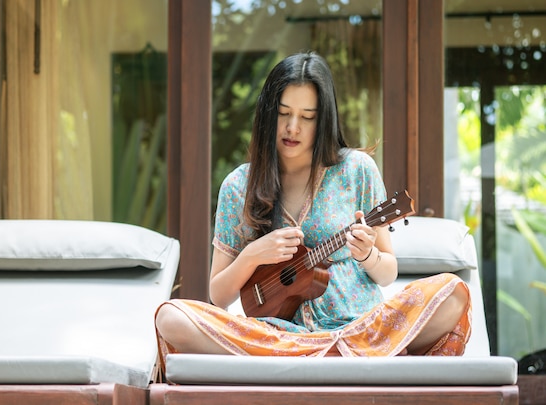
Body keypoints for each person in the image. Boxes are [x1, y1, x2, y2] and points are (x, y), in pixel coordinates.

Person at [155, 51, 471, 367]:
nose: (293, 127)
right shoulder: (238, 186)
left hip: (361, 326)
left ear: (324, 120)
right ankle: (328, 355)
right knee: (171, 317)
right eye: (283, 113)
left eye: (307, 117)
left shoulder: (357, 169)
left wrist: (367, 255)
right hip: (276, 334)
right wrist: (254, 254)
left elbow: (388, 271)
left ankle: (325, 353)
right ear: (267, 113)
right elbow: (219, 295)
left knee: (452, 292)